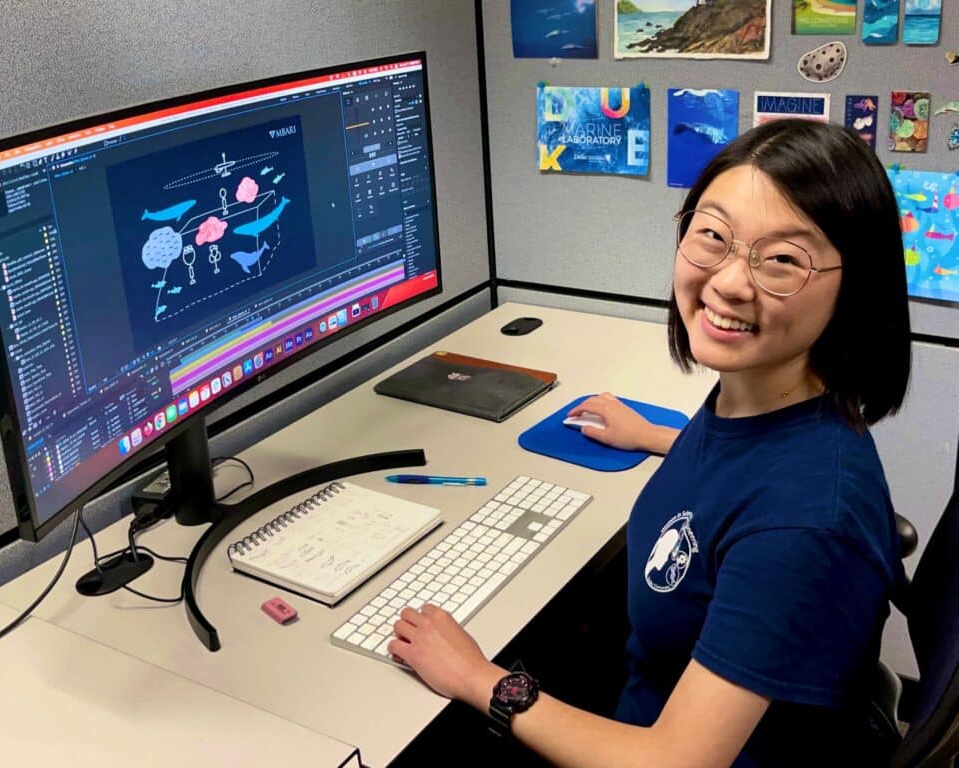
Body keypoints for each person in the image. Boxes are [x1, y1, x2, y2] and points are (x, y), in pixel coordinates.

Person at [388, 119, 911, 767]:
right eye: (712, 236)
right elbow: (748, 465)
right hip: (650, 691)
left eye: (781, 261)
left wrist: (478, 678)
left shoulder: (804, 523)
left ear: (854, 285)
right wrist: (656, 437)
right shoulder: (760, 400)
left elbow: (675, 762)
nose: (728, 281)